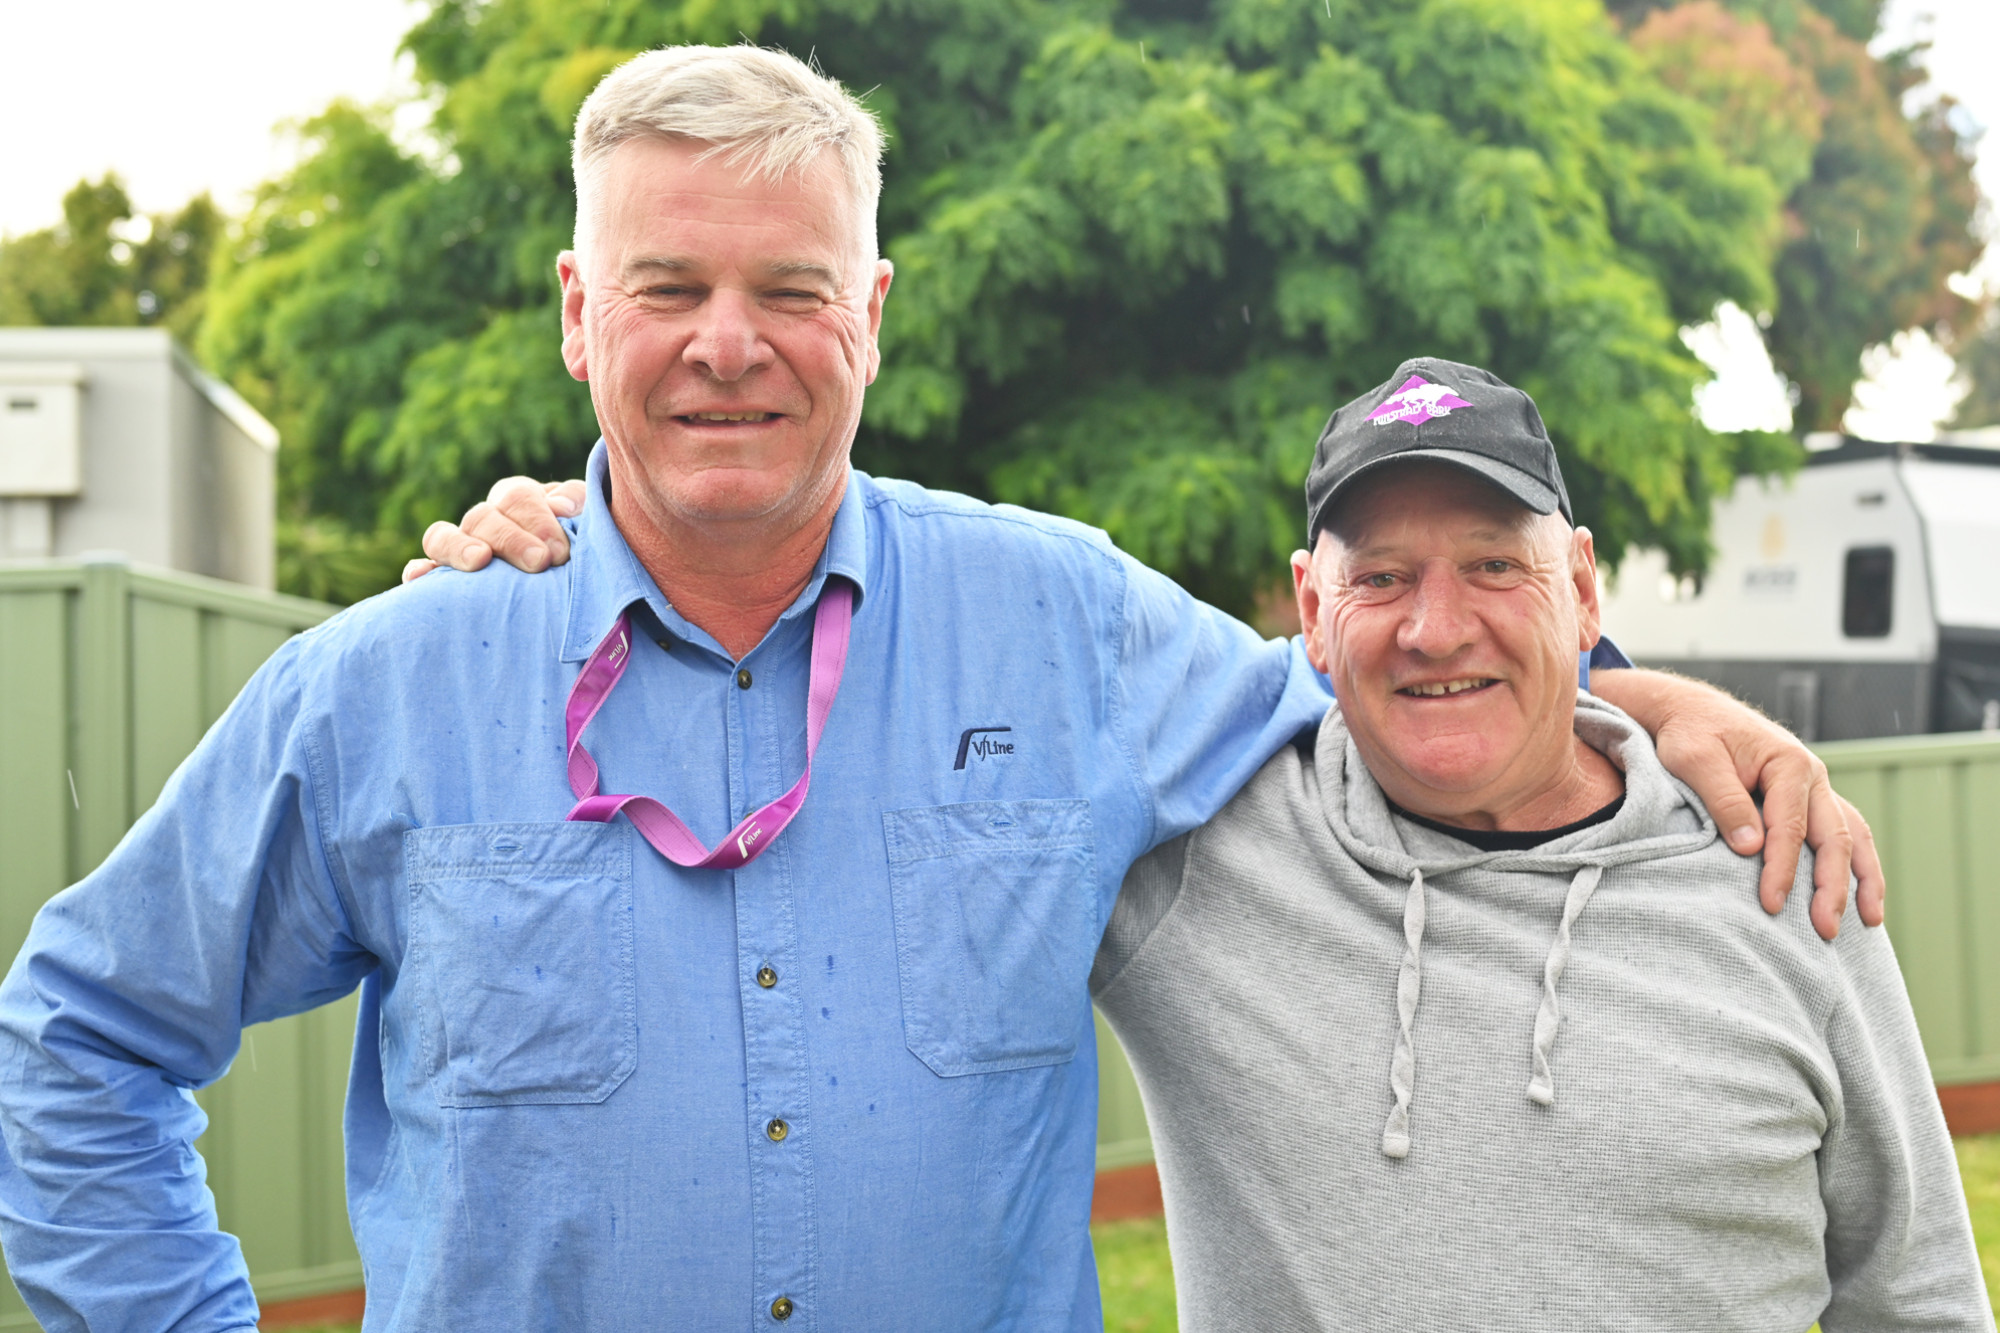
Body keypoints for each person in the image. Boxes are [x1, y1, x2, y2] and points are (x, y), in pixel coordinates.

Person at [0, 45, 1869, 1333]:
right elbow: (72, 1034)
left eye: (792, 290)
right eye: (669, 288)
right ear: (582, 313)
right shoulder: (392, 684)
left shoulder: (1067, 621)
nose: (730, 344)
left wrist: (1642, 696)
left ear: (872, 312)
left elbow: (1414, 688)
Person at [1087, 360, 1989, 1331]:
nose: (1434, 630)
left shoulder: (1778, 868)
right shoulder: (1191, 860)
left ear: (1583, 591)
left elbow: (1916, 1299)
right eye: (1381, 578)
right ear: (1311, 611)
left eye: (1493, 566)